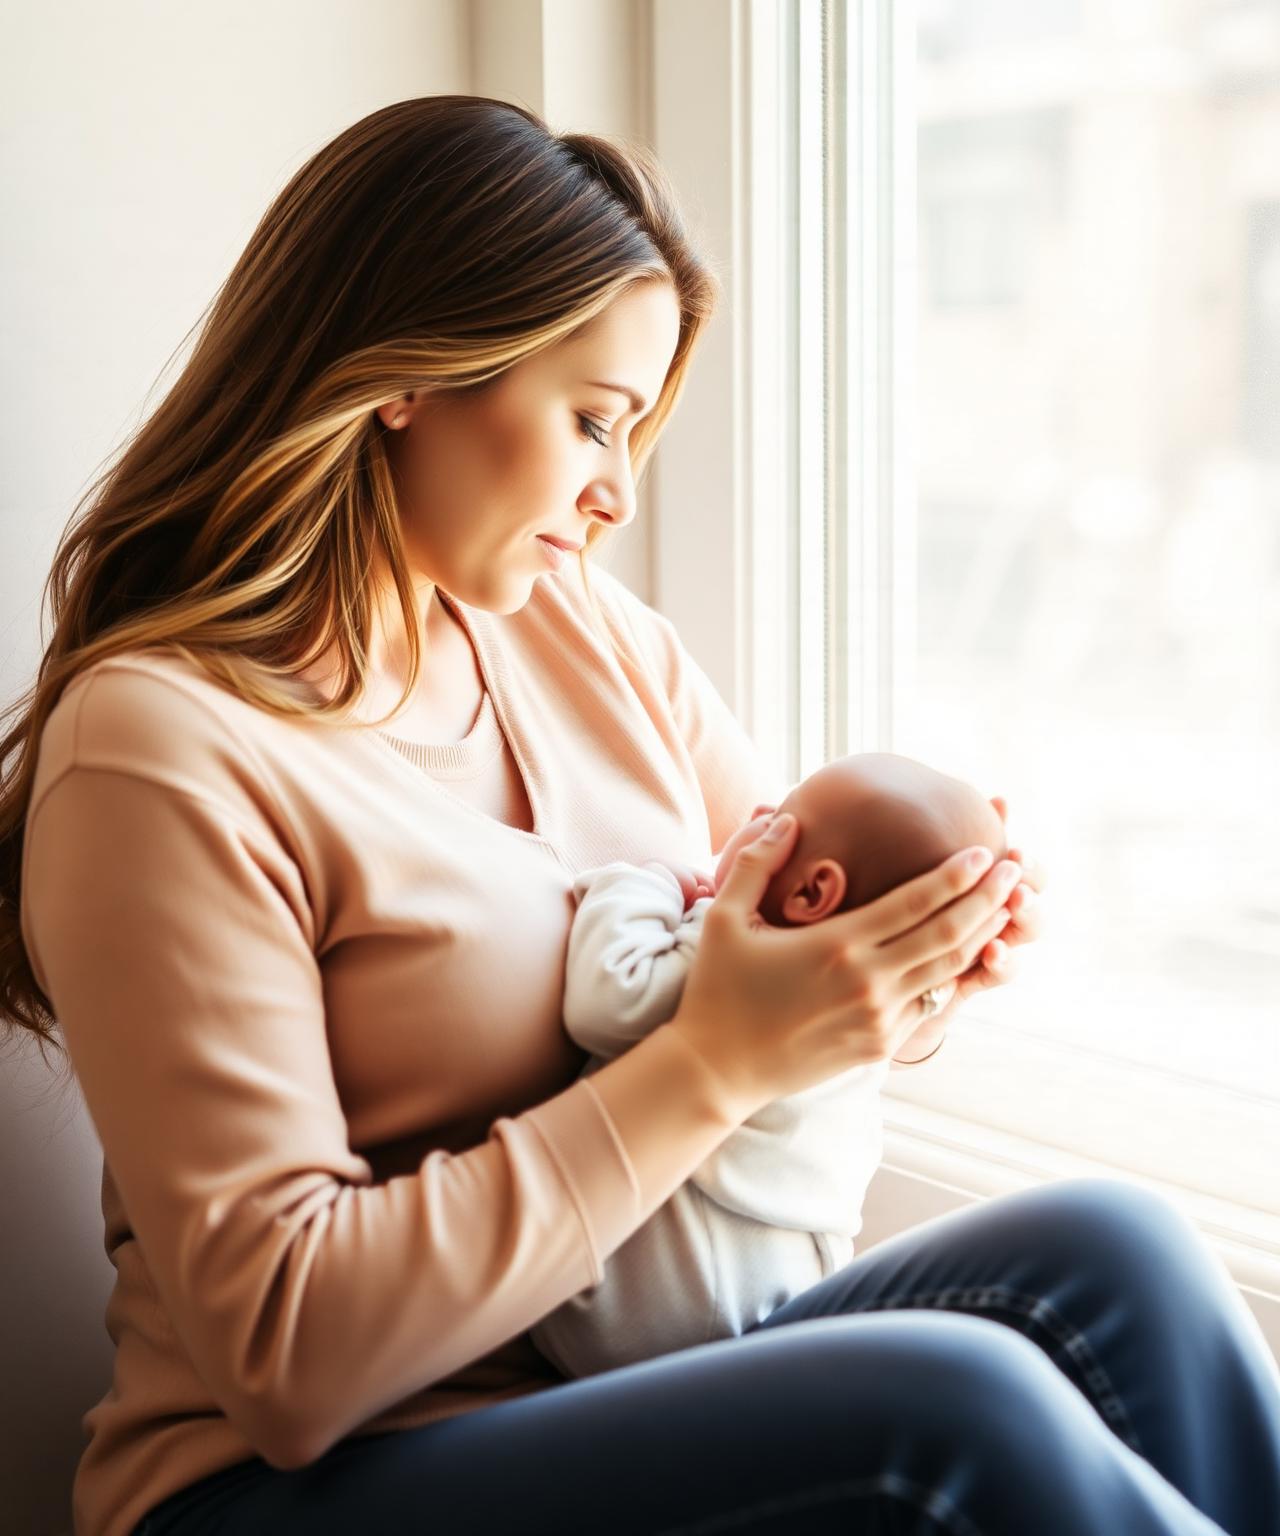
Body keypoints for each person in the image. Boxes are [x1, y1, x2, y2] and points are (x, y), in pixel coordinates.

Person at [2, 95, 1276, 1536]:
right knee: (956, 1417)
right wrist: (720, 1064)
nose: (617, 494)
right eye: (595, 421)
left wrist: (911, 962)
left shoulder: (581, 635)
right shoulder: (160, 748)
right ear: (412, 373)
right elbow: (287, 1355)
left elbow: (782, 950)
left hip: (605, 1386)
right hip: (294, 1482)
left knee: (1121, 1253)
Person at [528, 753, 1010, 1379]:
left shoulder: (742, 970)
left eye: (780, 819)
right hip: (789, 1298)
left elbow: (605, 998)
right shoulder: (864, 1010)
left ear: (812, 893)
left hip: (643, 1324)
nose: (754, 813)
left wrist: (641, 884)